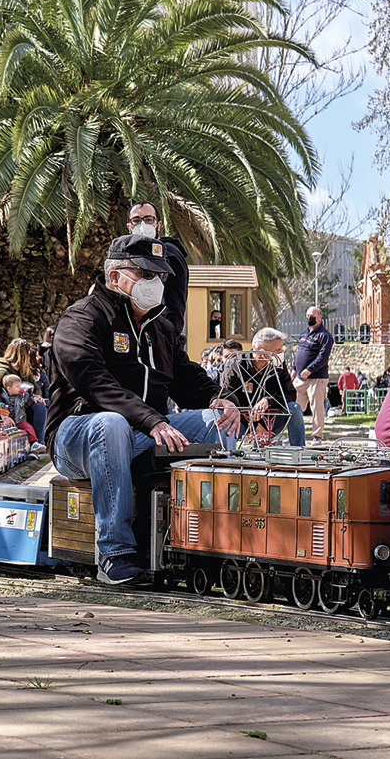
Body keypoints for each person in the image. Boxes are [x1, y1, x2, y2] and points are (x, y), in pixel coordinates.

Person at [47, 234, 239, 585]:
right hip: (77, 437)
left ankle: (212, 538)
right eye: (143, 273)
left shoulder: (162, 328)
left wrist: (218, 398)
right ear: (114, 275)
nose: (154, 283)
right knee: (110, 423)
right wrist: (151, 421)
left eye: (159, 276)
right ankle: (114, 552)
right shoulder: (81, 319)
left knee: (217, 422)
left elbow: (185, 375)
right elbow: (94, 382)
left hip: (145, 432)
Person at [221, 327, 304, 447]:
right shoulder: (235, 367)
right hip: (242, 423)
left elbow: (290, 394)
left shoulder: (278, 364)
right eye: (278, 350)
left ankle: (299, 450)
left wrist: (268, 400)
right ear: (262, 352)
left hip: (271, 421)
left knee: (294, 408)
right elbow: (228, 400)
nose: (281, 354)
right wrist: (255, 426)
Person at [126, 201, 189, 343]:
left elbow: (174, 303)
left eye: (148, 219)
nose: (143, 225)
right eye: (136, 220)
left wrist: (167, 340)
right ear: (129, 227)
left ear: (158, 225)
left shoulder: (169, 254)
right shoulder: (127, 255)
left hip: (160, 339)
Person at [0, 337, 48, 448]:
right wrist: (3, 412)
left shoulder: (24, 370)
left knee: (40, 407)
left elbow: (36, 388)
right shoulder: (3, 370)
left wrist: (37, 397)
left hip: (22, 407)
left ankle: (39, 442)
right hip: (8, 410)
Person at [293, 306, 333, 443]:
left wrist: (310, 369)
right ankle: (294, 434)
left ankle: (317, 436)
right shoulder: (304, 333)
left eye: (312, 316)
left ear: (320, 317)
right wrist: (294, 369)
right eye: (308, 316)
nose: (309, 319)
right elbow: (299, 353)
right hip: (300, 379)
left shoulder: (325, 336)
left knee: (317, 408)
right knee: (293, 405)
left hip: (317, 379)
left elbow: (323, 357)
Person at [0, 374, 46, 450]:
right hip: (8, 419)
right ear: (9, 389)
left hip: (19, 419)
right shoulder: (3, 397)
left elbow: (27, 402)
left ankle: (34, 443)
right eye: (17, 386)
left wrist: (33, 398)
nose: (20, 388)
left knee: (28, 428)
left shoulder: (21, 396)